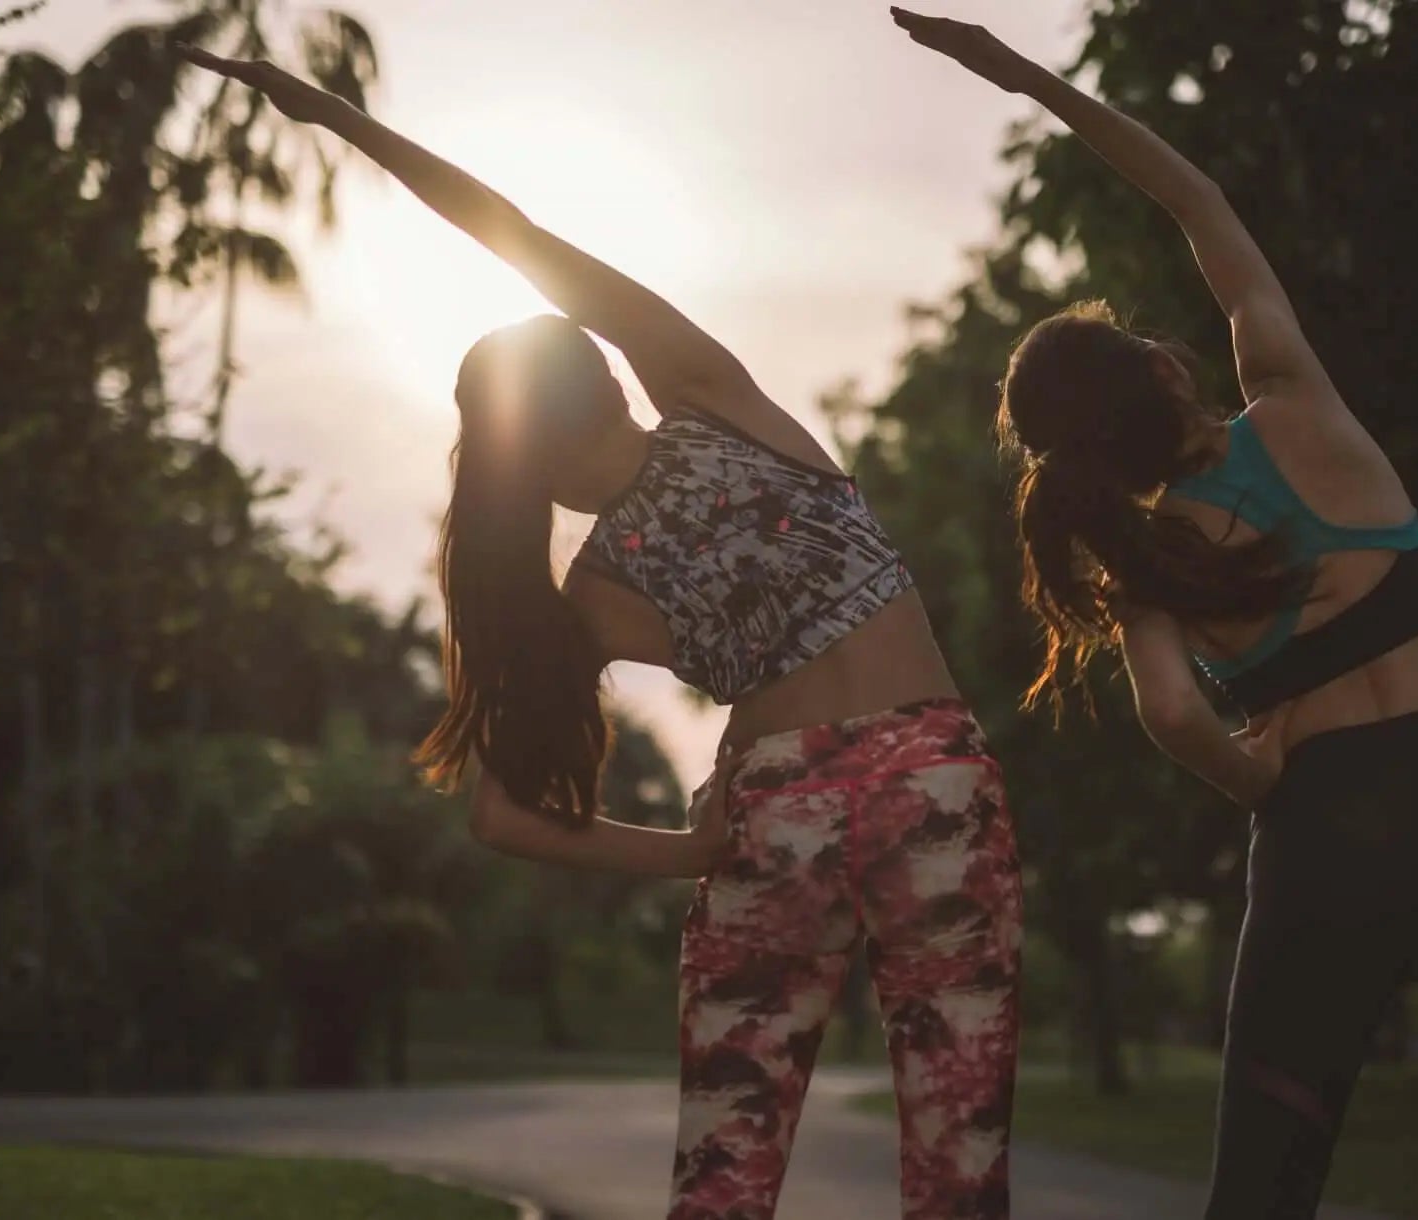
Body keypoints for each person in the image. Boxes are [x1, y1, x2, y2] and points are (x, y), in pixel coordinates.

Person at [178, 45, 1021, 1220]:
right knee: (958, 1154)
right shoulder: (714, 394)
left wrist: (685, 852)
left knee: (724, 1169)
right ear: (608, 379)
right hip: (931, 774)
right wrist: (333, 115)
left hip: (772, 808)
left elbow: (501, 816)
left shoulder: (591, 595)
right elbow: (513, 228)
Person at [892, 9, 1418, 1219]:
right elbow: (1193, 196)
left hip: (1322, 826)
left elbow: (1171, 713)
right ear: (1157, 369)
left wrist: (1263, 780)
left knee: (1264, 1187)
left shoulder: (1144, 562)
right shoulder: (1287, 393)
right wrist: (1022, 79)